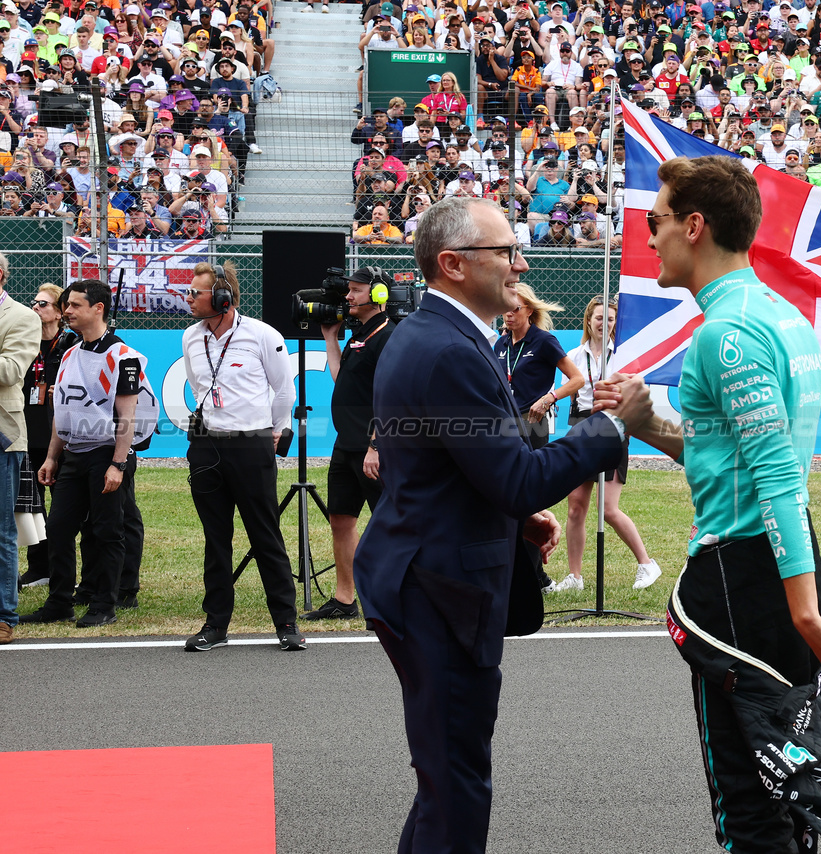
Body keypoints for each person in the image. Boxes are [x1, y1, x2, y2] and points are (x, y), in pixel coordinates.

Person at [594, 156, 821, 853]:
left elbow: (776, 474)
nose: (650, 236)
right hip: (774, 556)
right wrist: (645, 425)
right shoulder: (777, 315)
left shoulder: (723, 336)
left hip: (744, 575)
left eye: (656, 222)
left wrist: (805, 613)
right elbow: (727, 462)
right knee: (779, 782)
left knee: (749, 805)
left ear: (694, 226)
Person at [352, 197, 652, 854]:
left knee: (444, 779)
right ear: (454, 264)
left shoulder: (435, 334)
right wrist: (609, 428)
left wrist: (514, 513)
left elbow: (464, 467)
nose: (520, 264)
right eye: (506, 252)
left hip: (423, 570)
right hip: (440, 587)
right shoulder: (448, 348)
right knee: (456, 784)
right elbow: (513, 475)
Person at [180, 261, 305, 653]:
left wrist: (273, 429)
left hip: (251, 444)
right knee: (216, 540)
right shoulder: (189, 337)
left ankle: (286, 623)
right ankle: (215, 625)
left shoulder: (262, 335)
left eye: (196, 293)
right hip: (206, 444)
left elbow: (284, 390)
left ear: (222, 298)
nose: (189, 298)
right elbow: (199, 384)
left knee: (265, 536)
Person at [21, 279, 157, 629]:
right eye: (65, 305)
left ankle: (104, 604)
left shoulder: (123, 356)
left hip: (106, 454)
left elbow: (128, 417)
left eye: (75, 305)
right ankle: (59, 602)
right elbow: (62, 411)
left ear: (98, 308)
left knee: (107, 530)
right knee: (60, 528)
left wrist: (118, 463)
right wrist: (53, 457)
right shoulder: (69, 353)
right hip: (74, 455)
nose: (67, 311)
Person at [555, 295, 661, 593]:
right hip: (581, 426)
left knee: (607, 509)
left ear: (617, 323)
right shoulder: (575, 356)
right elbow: (570, 394)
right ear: (589, 320)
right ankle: (575, 577)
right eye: (599, 317)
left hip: (613, 427)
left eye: (610, 319)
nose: (604, 323)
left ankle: (647, 564)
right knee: (576, 507)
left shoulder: (624, 357)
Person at [308, 267, 397, 621]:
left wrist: (376, 445)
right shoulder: (359, 335)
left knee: (387, 524)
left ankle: (391, 601)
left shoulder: (389, 336)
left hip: (372, 449)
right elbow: (341, 377)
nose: (348, 297)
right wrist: (330, 339)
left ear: (377, 295)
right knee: (341, 519)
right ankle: (345, 600)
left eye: (356, 291)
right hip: (345, 445)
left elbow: (391, 397)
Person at [0, 252, 40, 644]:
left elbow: (11, 370)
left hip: (2, 436)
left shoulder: (22, 317)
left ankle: (4, 616)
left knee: (1, 532)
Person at [16, 284, 67, 590]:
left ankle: (63, 569)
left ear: (60, 312)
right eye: (33, 302)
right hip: (28, 435)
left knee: (63, 510)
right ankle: (39, 567)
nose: (36, 307)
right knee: (32, 507)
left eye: (43, 304)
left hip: (60, 439)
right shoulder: (25, 341)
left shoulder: (70, 344)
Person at [493, 283, 583, 452]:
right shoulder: (501, 343)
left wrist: (549, 398)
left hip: (533, 422)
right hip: (504, 421)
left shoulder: (544, 341)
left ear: (529, 310)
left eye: (516, 308)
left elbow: (578, 379)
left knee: (532, 474)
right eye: (506, 307)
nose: (509, 314)